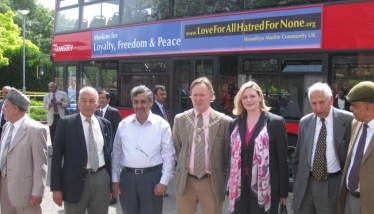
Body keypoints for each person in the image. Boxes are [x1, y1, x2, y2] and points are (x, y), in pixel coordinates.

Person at [226, 81, 289, 214]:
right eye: (245, 97)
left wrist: (284, 192)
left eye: (252, 96)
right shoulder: (235, 124)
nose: (249, 100)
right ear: (240, 100)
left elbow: (282, 159)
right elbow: (230, 158)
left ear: (260, 97)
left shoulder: (275, 122)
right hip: (239, 186)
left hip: (267, 187)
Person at [111, 85, 175, 214]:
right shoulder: (124, 124)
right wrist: (114, 180)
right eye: (136, 102)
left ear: (151, 103)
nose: (139, 105)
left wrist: (164, 181)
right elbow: (116, 153)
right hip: (127, 179)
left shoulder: (161, 125)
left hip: (151, 179)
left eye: (143, 101)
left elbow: (169, 155)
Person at [292, 82, 353, 214]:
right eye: (314, 103)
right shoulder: (305, 122)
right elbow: (298, 158)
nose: (318, 107)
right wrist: (297, 188)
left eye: (322, 102)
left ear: (331, 99)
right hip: (306, 185)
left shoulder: (348, 120)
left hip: (332, 185)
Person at [173, 77, 231, 214]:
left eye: (202, 95)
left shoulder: (224, 122)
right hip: (186, 182)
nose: (198, 99)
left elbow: (227, 155)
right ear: (191, 96)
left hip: (211, 182)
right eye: (195, 95)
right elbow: (178, 148)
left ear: (211, 96)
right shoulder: (180, 119)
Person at [51, 87, 112, 214]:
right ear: (78, 102)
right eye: (84, 100)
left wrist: (110, 184)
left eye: (92, 101)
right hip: (74, 181)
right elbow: (56, 157)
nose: (87, 104)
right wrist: (56, 188)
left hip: (100, 178)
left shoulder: (105, 124)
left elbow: (108, 156)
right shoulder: (66, 123)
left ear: (97, 103)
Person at [0, 87, 48, 213]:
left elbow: (40, 164)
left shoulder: (36, 130)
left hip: (25, 194)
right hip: (4, 191)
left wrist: (38, 191)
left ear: (15, 109)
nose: (2, 109)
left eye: (5, 106)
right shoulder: (6, 126)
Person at [337, 81, 374, 214]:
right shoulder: (356, 123)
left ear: (368, 107)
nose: (350, 109)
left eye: (354, 105)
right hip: (349, 200)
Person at [94, 90, 122, 205]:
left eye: (103, 98)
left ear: (108, 99)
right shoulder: (95, 112)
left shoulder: (114, 112)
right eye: (99, 98)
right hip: (99, 148)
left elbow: (119, 130)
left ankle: (113, 197)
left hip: (111, 148)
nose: (101, 100)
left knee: (112, 172)